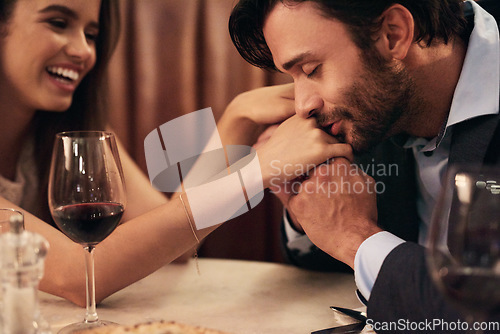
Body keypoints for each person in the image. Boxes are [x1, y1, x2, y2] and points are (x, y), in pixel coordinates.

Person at [0, 0, 351, 307]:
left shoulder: (66, 135)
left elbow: (174, 241)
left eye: (91, 34)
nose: (83, 50)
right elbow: (78, 275)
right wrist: (257, 170)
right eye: (58, 23)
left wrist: (237, 120)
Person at [227, 0, 500, 329]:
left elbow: (485, 315)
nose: (302, 105)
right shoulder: (377, 108)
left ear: (392, 35)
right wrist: (309, 206)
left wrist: (356, 237)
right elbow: (345, 268)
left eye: (312, 70)